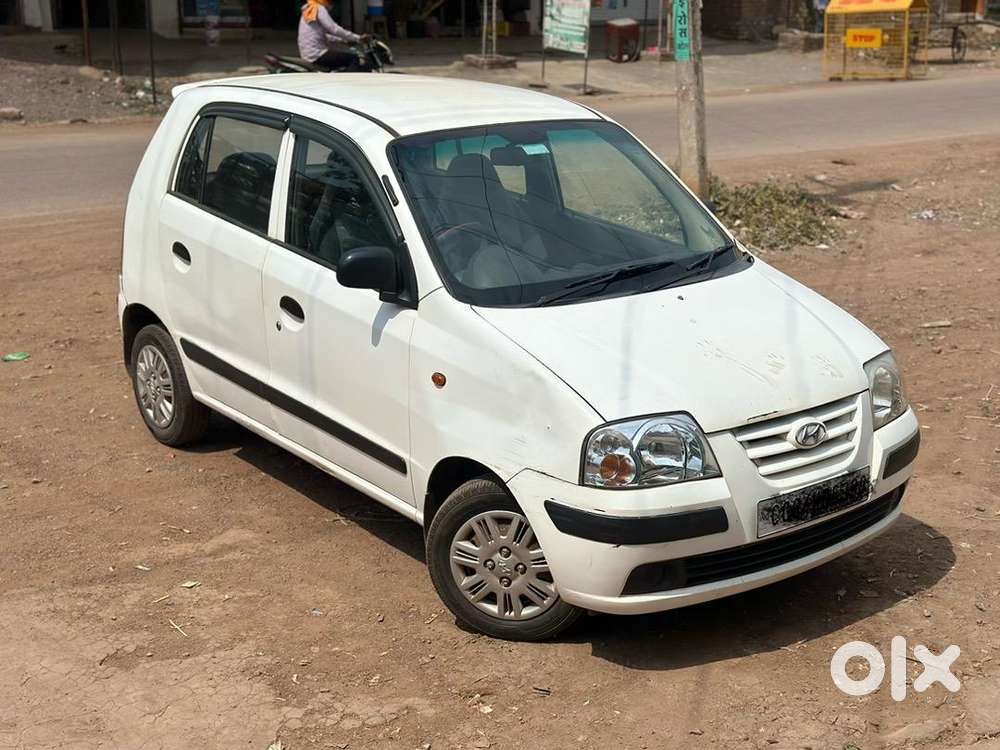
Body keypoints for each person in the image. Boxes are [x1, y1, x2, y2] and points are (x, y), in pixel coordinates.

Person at [298, 0, 370, 71]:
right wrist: (358, 38)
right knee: (354, 58)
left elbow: (325, 35)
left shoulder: (309, 9)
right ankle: (348, 78)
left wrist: (344, 40)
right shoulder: (319, 8)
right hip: (317, 54)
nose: (332, 6)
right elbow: (334, 29)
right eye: (330, 2)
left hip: (308, 54)